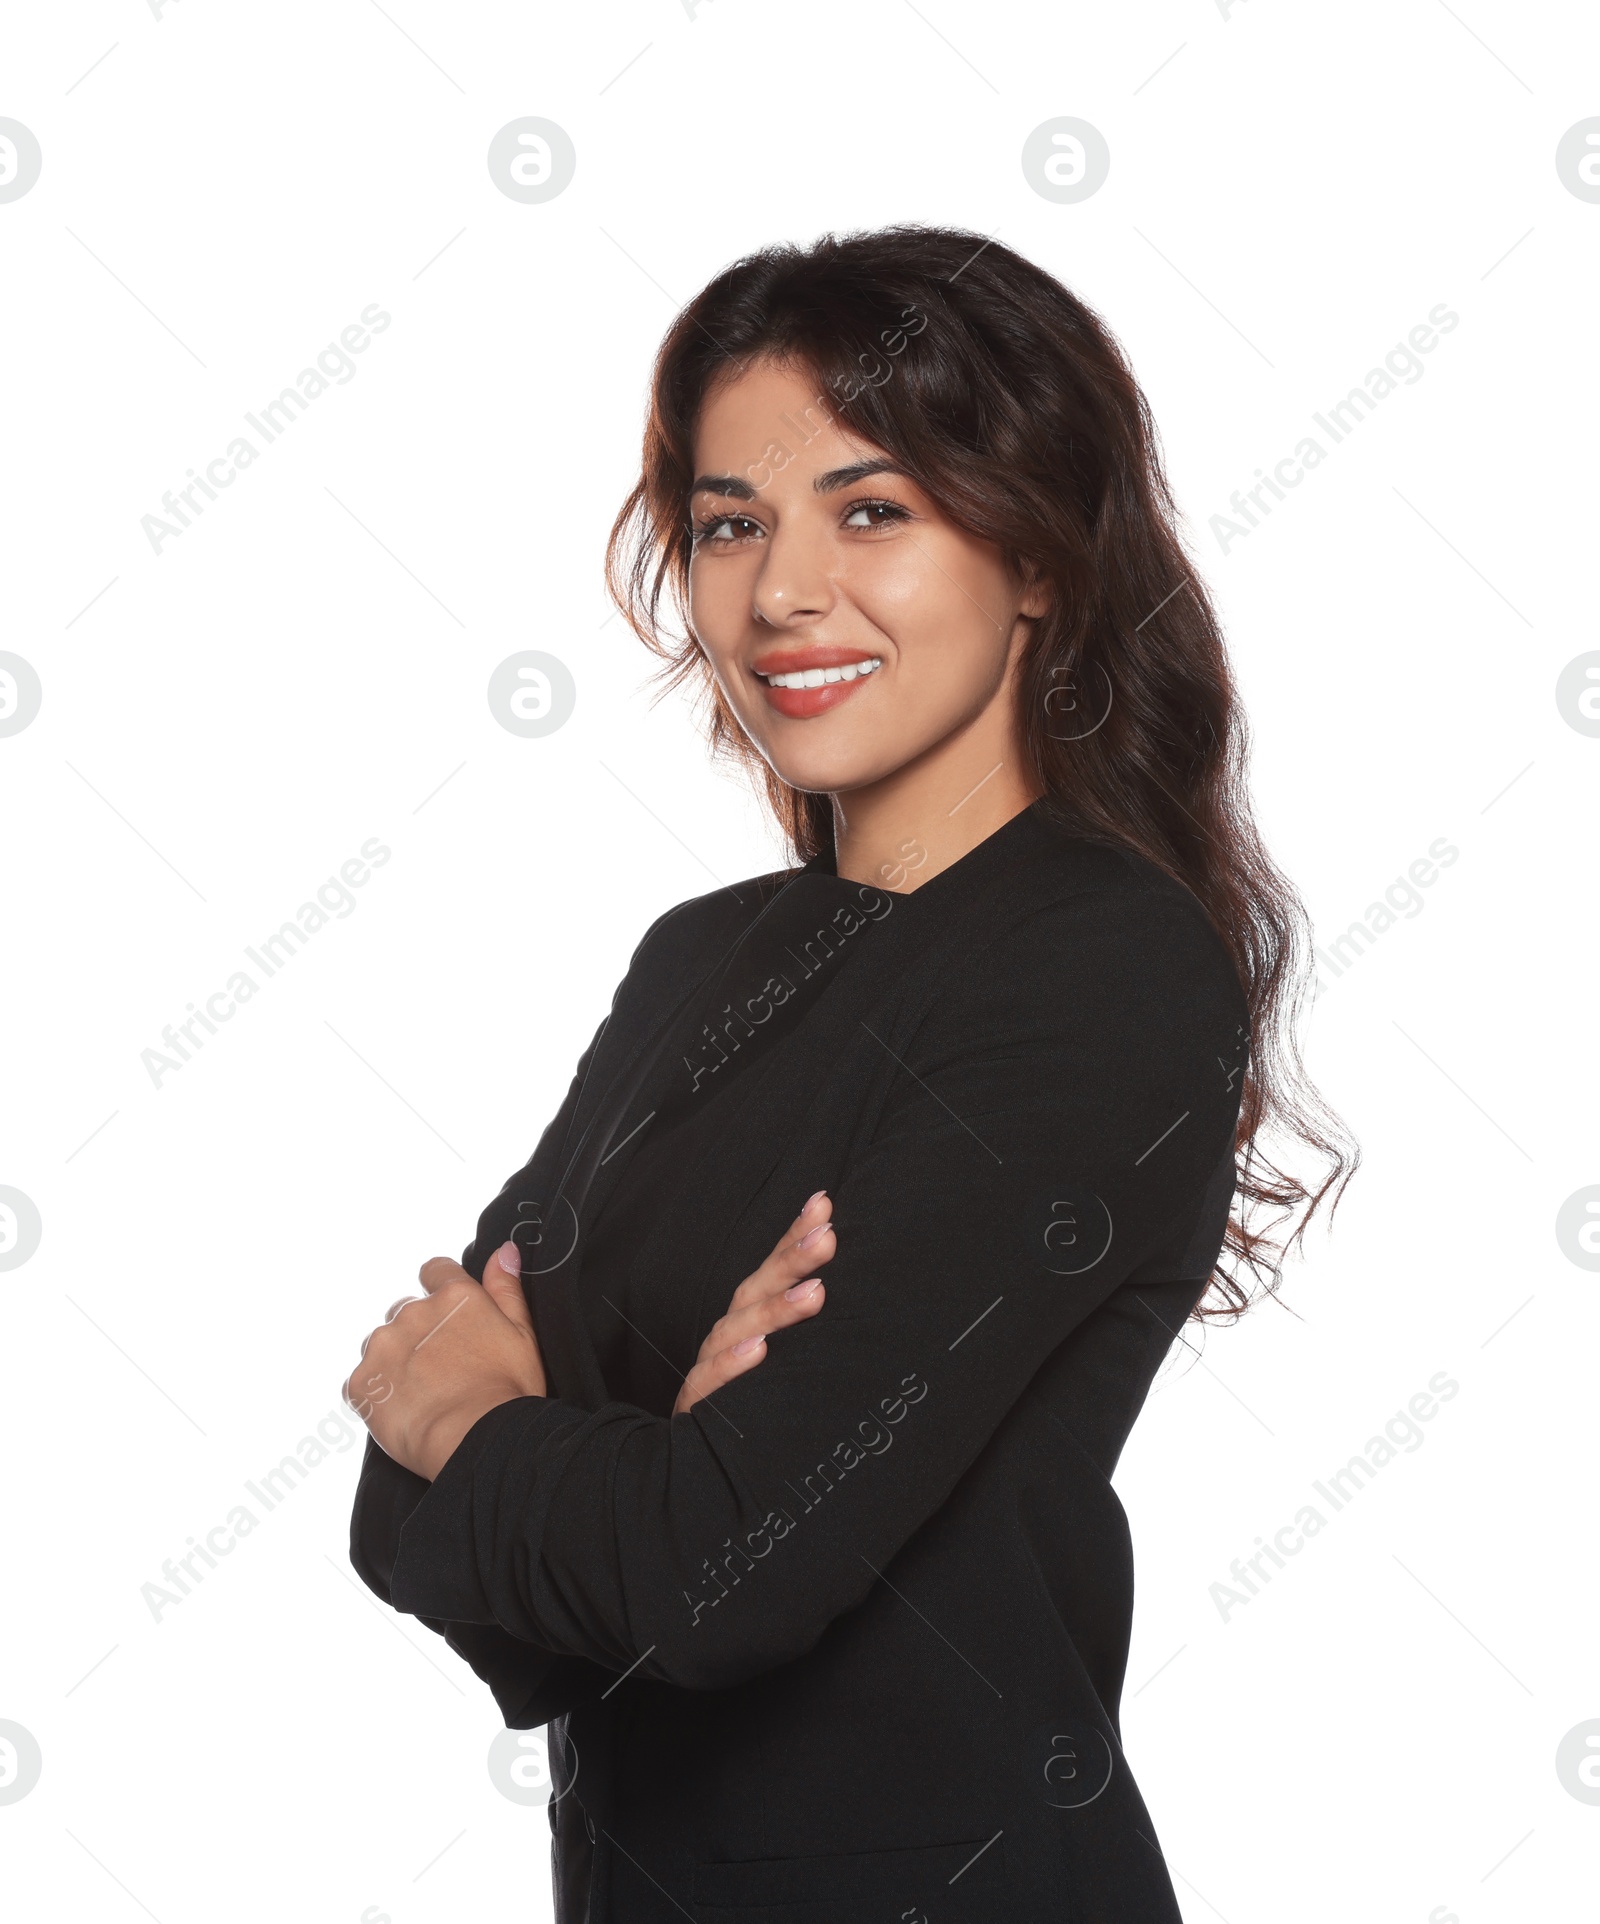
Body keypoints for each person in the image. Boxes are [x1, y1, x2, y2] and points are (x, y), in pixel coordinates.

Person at [344, 225, 1354, 1923]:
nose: (778, 592)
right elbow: (398, 1509)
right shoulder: (702, 959)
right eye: (732, 522)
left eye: (869, 511)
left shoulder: (1097, 965)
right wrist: (623, 1468)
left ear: (1037, 556)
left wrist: (508, 1428)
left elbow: (714, 1575)